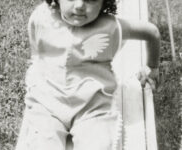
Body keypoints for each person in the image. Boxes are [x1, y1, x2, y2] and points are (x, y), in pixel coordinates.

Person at [15, 0, 160, 149]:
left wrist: (152, 67)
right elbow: (37, 53)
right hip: (47, 104)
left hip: (92, 106)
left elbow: (152, 32)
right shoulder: (42, 18)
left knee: (98, 144)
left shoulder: (109, 27)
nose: (79, 5)